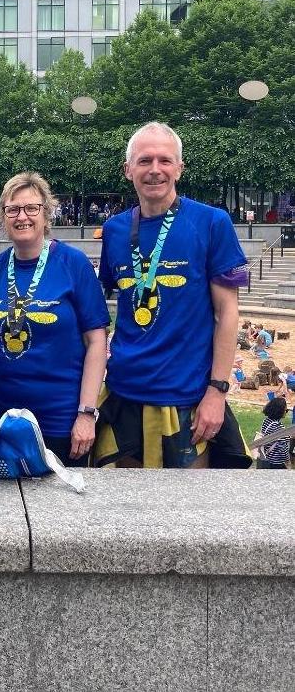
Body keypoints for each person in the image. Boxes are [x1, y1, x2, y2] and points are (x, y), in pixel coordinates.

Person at [95, 122, 251, 469]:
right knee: (126, 512)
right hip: (125, 393)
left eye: (165, 160)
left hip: (189, 397)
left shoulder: (212, 222)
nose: (154, 170)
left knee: (191, 512)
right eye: (144, 160)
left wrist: (217, 391)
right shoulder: (115, 229)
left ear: (179, 167)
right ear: (128, 170)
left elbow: (227, 313)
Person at [0, 172, 109, 465]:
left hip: (60, 420)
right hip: (1, 420)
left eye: (32, 208)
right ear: (2, 217)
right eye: (13, 209)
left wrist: (86, 413)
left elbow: (96, 341)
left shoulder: (73, 264)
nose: (23, 217)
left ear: (46, 214)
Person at [254, 396, 291, 469]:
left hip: (267, 457)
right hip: (276, 462)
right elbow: (283, 446)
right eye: (286, 410)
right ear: (280, 411)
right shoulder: (278, 427)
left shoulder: (267, 421)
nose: (286, 412)